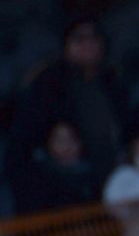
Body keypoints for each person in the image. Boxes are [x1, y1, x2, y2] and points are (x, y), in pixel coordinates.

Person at [6, 17, 129, 192]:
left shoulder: (113, 80)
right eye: (79, 38)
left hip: (116, 183)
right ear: (66, 45)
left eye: (94, 37)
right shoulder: (48, 84)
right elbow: (25, 145)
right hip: (64, 187)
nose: (88, 43)